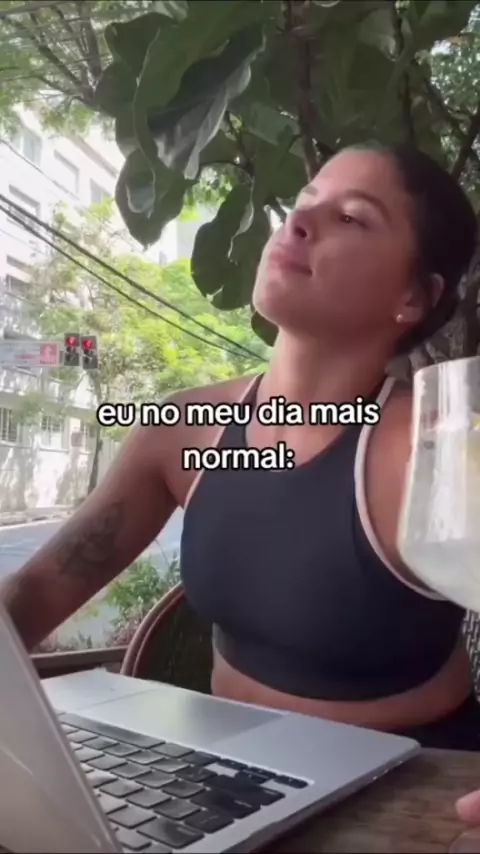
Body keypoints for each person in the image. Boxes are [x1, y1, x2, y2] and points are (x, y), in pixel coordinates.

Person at [1, 143, 479, 756]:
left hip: (419, 781)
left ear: (413, 297)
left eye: (351, 217)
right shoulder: (183, 429)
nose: (298, 221)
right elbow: (40, 592)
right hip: (223, 771)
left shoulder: (436, 449)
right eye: (305, 201)